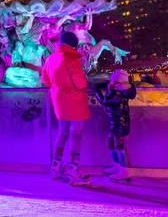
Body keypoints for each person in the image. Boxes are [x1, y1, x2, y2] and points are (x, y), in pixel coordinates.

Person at [42, 31, 91, 186]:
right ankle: (74, 171)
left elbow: (46, 80)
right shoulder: (71, 60)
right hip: (75, 103)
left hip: (60, 103)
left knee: (62, 134)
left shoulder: (50, 59)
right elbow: (81, 83)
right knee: (76, 135)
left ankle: (55, 168)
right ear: (73, 45)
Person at [95, 69, 136, 182]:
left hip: (119, 123)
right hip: (116, 122)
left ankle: (124, 171)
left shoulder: (118, 92)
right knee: (111, 142)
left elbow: (105, 102)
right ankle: (117, 166)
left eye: (112, 80)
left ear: (117, 82)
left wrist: (96, 90)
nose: (110, 82)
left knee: (119, 145)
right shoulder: (121, 89)